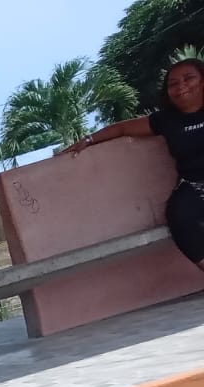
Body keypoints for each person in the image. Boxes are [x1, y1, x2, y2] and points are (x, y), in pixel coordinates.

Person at [65, 58, 204, 270]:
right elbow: (122, 128)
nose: (181, 86)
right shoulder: (165, 120)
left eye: (189, 78)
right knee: (179, 216)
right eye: (173, 83)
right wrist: (89, 139)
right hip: (194, 184)